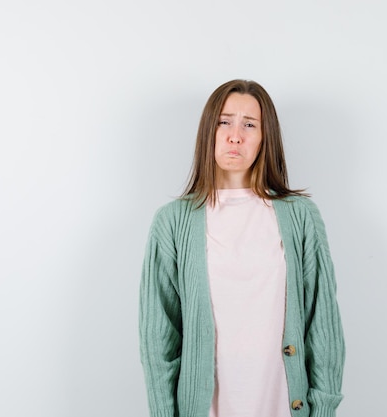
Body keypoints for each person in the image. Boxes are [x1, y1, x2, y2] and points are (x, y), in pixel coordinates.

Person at [139, 79, 344, 417]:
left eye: (250, 124)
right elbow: (158, 342)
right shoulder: (172, 222)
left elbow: (322, 324)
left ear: (265, 138)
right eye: (224, 121)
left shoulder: (300, 216)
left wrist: (322, 411)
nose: (236, 135)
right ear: (209, 131)